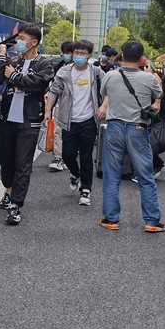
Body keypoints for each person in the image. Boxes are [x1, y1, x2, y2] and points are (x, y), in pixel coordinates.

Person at [96, 39, 165, 232]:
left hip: (115, 127)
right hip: (138, 129)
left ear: (122, 55)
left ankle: (111, 218)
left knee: (111, 174)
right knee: (145, 175)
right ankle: (152, 221)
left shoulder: (110, 75)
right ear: (141, 58)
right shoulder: (148, 78)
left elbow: (104, 93)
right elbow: (158, 95)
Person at [0, 25, 55, 225]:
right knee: (7, 159)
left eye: (22, 38)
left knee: (23, 163)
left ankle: (16, 205)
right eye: (18, 37)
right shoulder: (14, 61)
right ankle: (8, 191)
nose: (18, 41)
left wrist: (13, 76)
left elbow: (35, 84)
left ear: (34, 42)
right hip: (8, 119)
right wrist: (1, 56)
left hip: (30, 120)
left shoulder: (45, 64)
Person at [44, 40, 104, 206]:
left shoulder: (96, 72)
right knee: (68, 155)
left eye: (83, 53)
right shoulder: (64, 72)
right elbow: (54, 91)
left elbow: (107, 90)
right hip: (69, 120)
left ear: (89, 55)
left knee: (86, 156)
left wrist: (104, 106)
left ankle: (86, 189)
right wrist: (48, 111)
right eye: (76, 53)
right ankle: (75, 174)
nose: (79, 56)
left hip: (89, 121)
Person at [47, 40, 75, 173]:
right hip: (60, 104)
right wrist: (48, 108)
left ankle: (68, 158)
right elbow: (54, 87)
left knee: (71, 134)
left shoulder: (81, 69)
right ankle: (58, 158)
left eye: (68, 52)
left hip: (75, 107)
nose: (66, 55)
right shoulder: (60, 65)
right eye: (64, 52)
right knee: (58, 131)